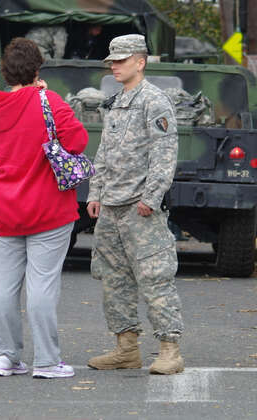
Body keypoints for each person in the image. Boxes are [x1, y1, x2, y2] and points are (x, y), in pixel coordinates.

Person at [0, 37, 88, 379]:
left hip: (3, 206)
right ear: (37, 69)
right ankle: (45, 361)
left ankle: (4, 356)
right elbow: (77, 141)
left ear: (6, 73)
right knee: (42, 285)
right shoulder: (49, 100)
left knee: (3, 283)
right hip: (46, 207)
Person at [86, 34, 185, 376]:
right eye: (112, 61)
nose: (114, 65)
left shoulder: (154, 102)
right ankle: (126, 348)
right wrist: (95, 192)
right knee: (114, 280)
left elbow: (164, 154)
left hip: (139, 207)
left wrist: (151, 197)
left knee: (155, 277)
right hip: (111, 207)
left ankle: (170, 349)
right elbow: (104, 152)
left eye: (121, 60)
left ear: (140, 62)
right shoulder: (115, 102)